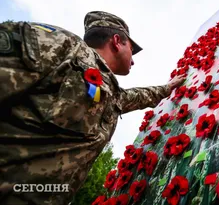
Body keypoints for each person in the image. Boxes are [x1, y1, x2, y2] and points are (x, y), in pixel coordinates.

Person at [0, 11, 186, 204]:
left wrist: (168, 88)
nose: (133, 60)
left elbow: (138, 97)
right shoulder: (59, 45)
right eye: (131, 49)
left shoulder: (111, 92)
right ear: (116, 41)